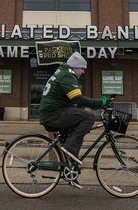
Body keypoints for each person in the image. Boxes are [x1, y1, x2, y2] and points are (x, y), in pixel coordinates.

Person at [38, 51, 110, 188]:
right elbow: (77, 98)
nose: (83, 72)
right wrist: (98, 103)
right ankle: (69, 147)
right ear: (75, 67)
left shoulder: (63, 72)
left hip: (54, 112)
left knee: (78, 123)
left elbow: (74, 100)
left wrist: (95, 103)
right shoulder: (67, 75)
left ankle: (70, 171)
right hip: (54, 114)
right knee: (89, 117)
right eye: (82, 68)